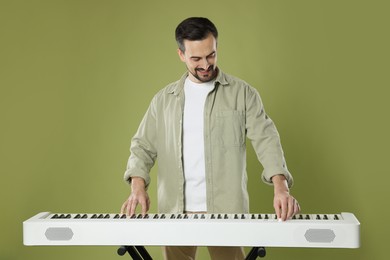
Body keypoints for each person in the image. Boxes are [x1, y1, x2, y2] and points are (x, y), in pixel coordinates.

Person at [121, 17, 300, 260]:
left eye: (211, 55)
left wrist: (281, 187)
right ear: (181, 55)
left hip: (227, 212)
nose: (206, 64)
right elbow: (142, 147)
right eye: (196, 59)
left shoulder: (243, 94)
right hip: (175, 212)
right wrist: (137, 187)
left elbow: (266, 139)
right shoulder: (163, 101)